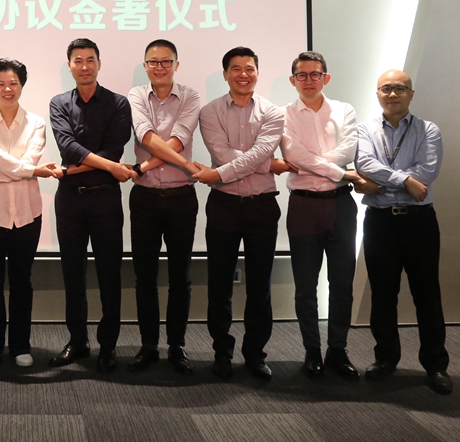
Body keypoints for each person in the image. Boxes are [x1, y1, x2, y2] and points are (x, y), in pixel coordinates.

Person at [272, 52, 370, 380]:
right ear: (293, 80)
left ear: (326, 78)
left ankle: (337, 350)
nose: (309, 80)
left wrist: (314, 163)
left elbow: (348, 150)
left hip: (341, 206)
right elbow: (292, 154)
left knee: (342, 283)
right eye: (302, 75)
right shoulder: (282, 115)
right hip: (304, 207)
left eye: (315, 74)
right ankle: (312, 350)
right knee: (305, 285)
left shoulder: (344, 110)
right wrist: (338, 171)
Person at [355, 70, 451, 394]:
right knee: (383, 293)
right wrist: (405, 181)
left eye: (400, 88)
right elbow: (365, 164)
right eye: (386, 88)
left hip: (419, 222)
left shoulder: (428, 130)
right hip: (380, 222)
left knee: (427, 294)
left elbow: (427, 171)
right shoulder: (365, 129)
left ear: (411, 93)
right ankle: (386, 359)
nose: (392, 94)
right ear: (377, 94)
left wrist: (383, 184)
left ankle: (436, 365)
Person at [193, 46, 284, 380]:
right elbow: (224, 153)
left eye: (249, 68)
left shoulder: (274, 112)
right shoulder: (209, 112)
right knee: (220, 284)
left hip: (262, 206)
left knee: (260, 285)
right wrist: (262, 163)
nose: (243, 74)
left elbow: (259, 153)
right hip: (224, 206)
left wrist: (220, 172)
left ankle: (255, 353)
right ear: (225, 74)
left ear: (257, 72)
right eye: (236, 68)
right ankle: (222, 351)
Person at [49, 38, 135, 373]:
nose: (84, 66)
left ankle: (108, 345)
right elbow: (67, 146)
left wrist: (73, 168)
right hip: (70, 200)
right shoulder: (59, 103)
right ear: (69, 65)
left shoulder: (118, 103)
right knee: (72, 274)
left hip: (105, 198)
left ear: (99, 63)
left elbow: (114, 150)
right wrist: (108, 166)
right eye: (78, 60)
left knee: (109, 274)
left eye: (90, 60)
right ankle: (78, 341)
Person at [0, 58, 61, 368]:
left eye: (14, 83)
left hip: (26, 212)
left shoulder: (36, 123)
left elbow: (25, 161)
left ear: (22, 86)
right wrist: (31, 171)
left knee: (22, 281)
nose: (7, 89)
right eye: (1, 84)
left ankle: (21, 345)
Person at [125, 39, 202, 375]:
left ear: (176, 65)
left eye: (166, 61)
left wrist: (142, 166)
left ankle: (177, 346)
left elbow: (178, 140)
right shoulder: (136, 96)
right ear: (145, 66)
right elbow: (146, 137)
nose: (159, 67)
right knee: (145, 277)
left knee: (180, 277)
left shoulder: (190, 96)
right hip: (144, 198)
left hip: (181, 197)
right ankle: (148, 345)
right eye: (153, 62)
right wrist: (184, 164)